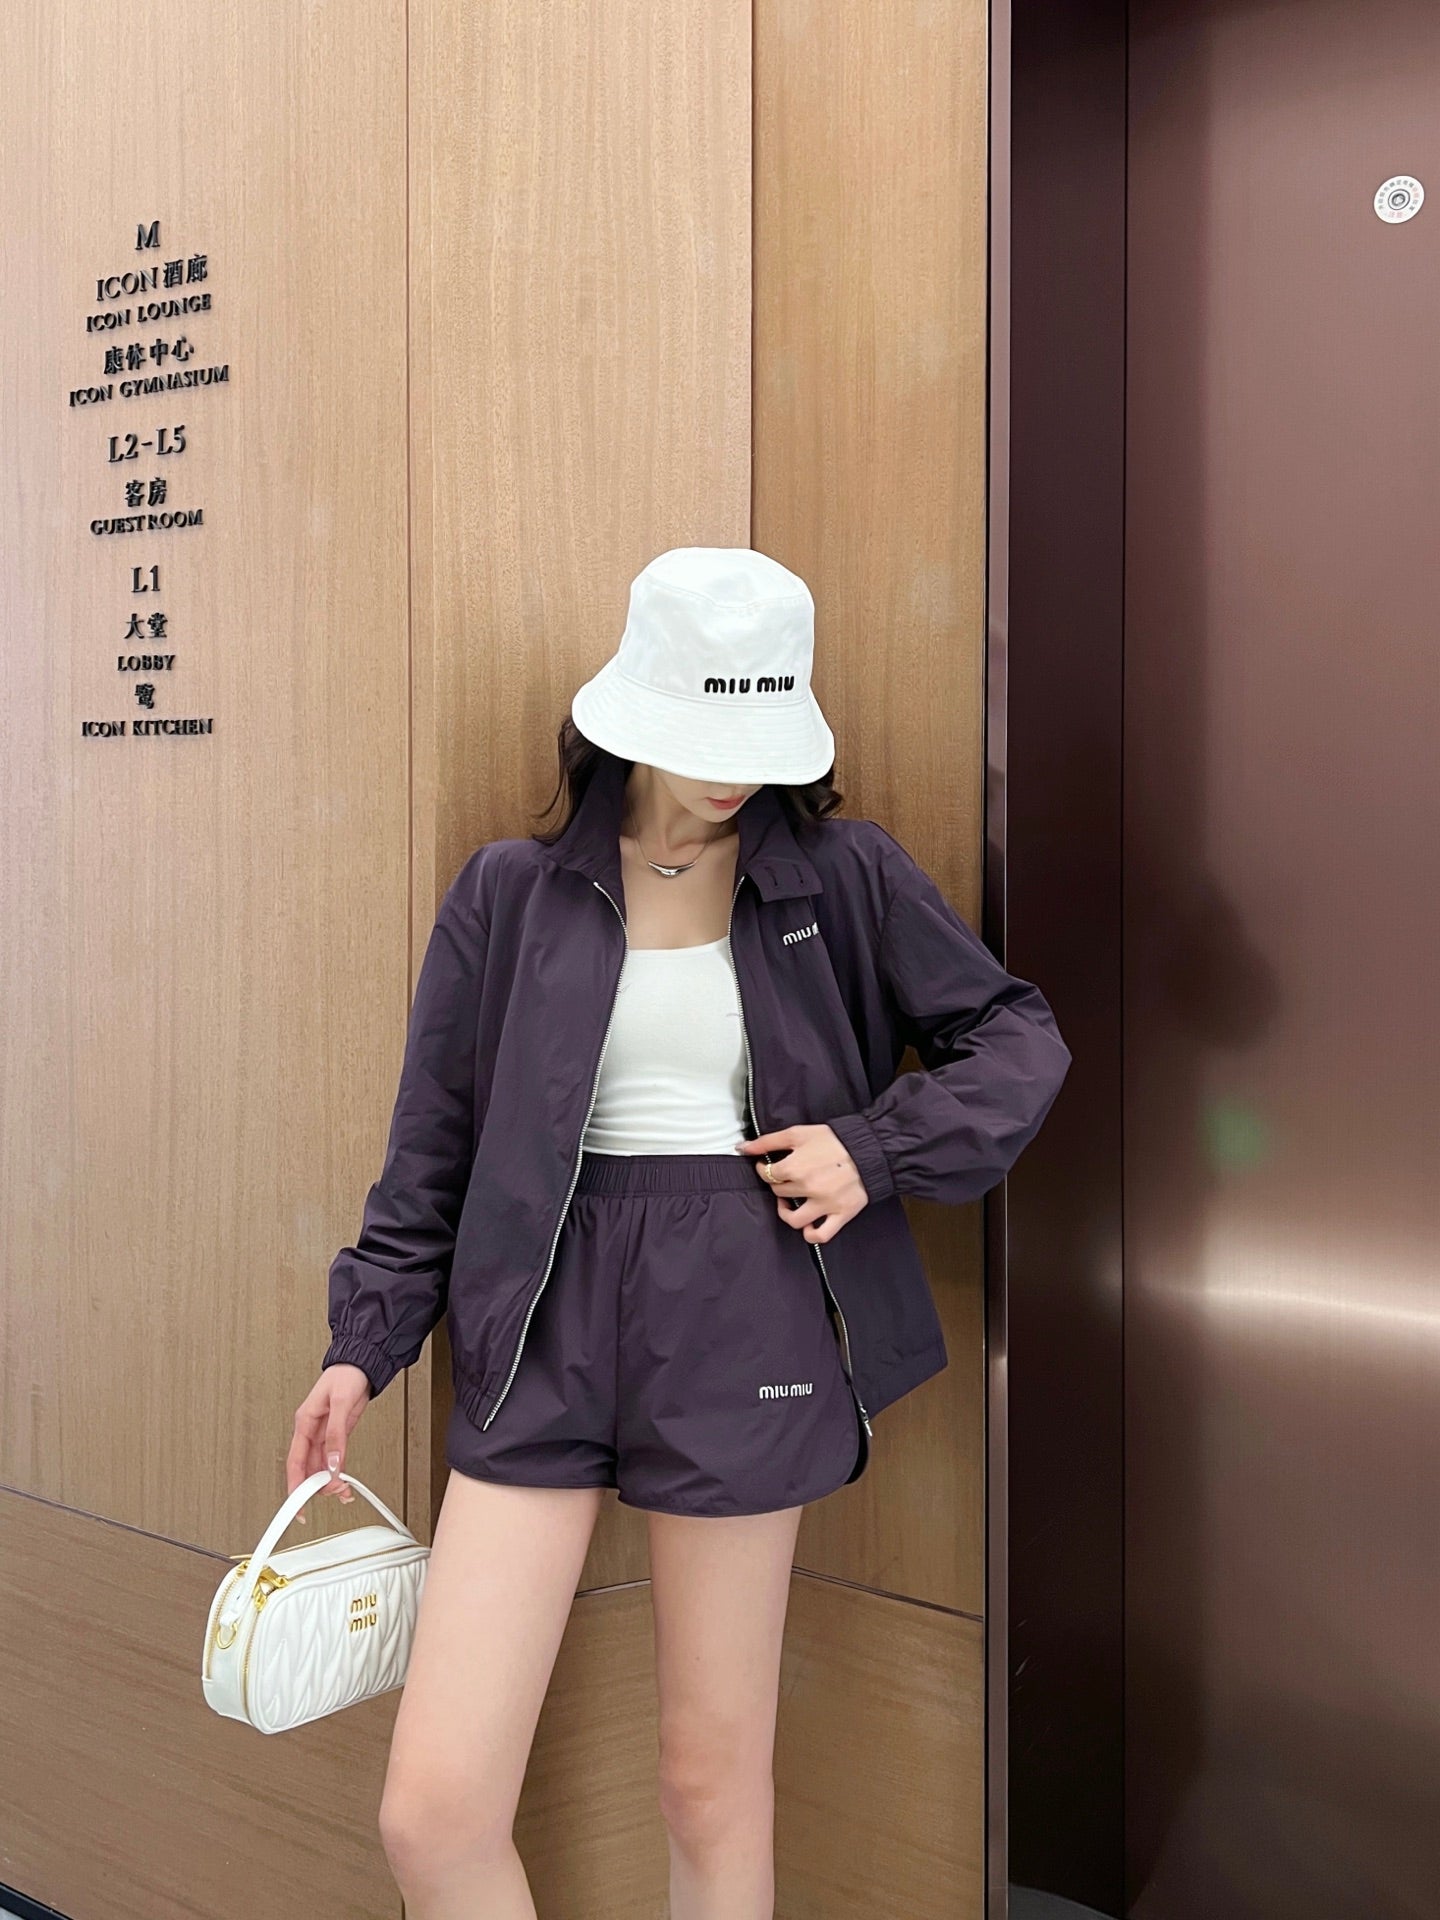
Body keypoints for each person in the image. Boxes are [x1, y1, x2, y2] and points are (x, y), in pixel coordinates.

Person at [287, 546, 1072, 1918]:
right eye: (708, 738)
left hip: (747, 1304)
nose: (732, 777)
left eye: (758, 743)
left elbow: (1018, 1037)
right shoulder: (509, 893)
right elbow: (434, 1150)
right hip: (538, 1318)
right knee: (434, 1811)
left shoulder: (845, 877)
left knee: (710, 1787)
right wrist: (364, 1346)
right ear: (632, 707)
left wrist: (873, 1149)